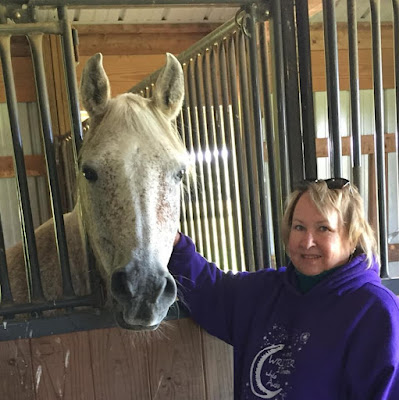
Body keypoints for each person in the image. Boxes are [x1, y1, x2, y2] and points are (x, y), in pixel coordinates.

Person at [168, 178, 399, 400]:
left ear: (352, 238)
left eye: (323, 228)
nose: (307, 242)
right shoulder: (264, 291)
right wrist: (174, 243)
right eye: (299, 227)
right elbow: (211, 290)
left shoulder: (375, 310)